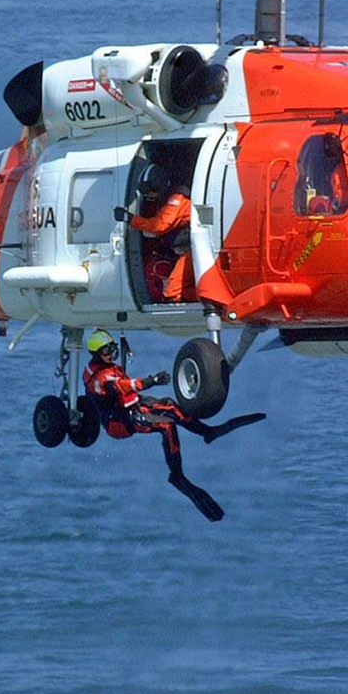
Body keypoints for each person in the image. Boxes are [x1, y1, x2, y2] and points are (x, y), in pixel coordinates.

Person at [82, 329, 266, 522]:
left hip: (129, 406)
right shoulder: (100, 379)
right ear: (96, 355)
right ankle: (177, 475)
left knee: (169, 405)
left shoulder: (105, 366)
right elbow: (122, 386)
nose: (111, 354)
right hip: (118, 422)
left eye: (112, 349)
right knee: (167, 426)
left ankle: (206, 432)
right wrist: (151, 381)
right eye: (106, 351)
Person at [115, 163, 194, 302]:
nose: (150, 196)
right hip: (187, 249)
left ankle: (211, 301)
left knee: (173, 293)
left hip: (192, 249)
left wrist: (129, 219)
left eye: (150, 192)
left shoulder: (177, 199)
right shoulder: (169, 199)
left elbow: (159, 226)